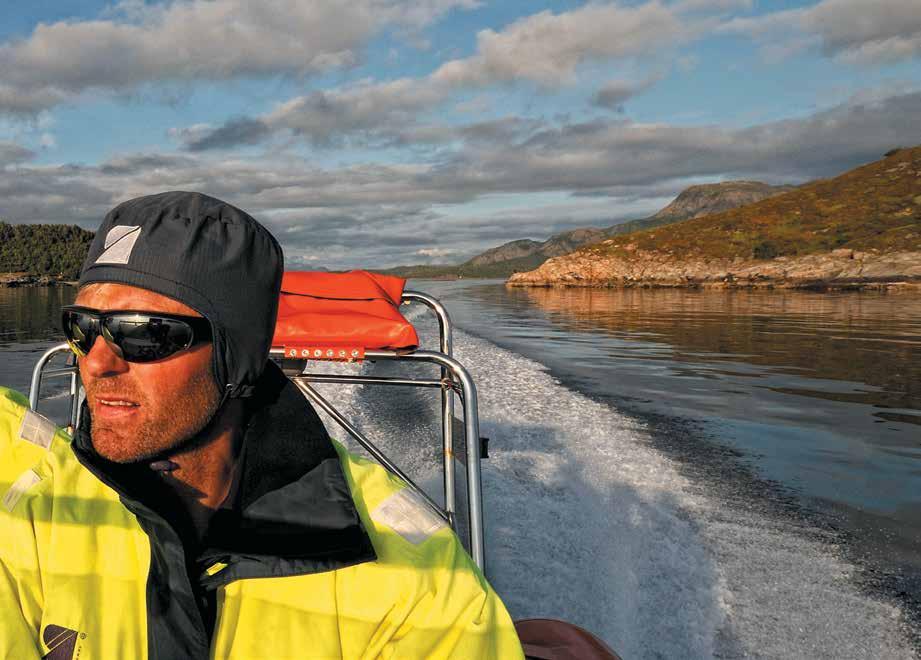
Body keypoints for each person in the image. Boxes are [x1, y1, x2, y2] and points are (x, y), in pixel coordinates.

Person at [0, 192, 523, 659]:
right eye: (82, 328)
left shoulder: (410, 575)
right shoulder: (30, 512)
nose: (96, 363)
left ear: (238, 358)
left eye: (144, 335)